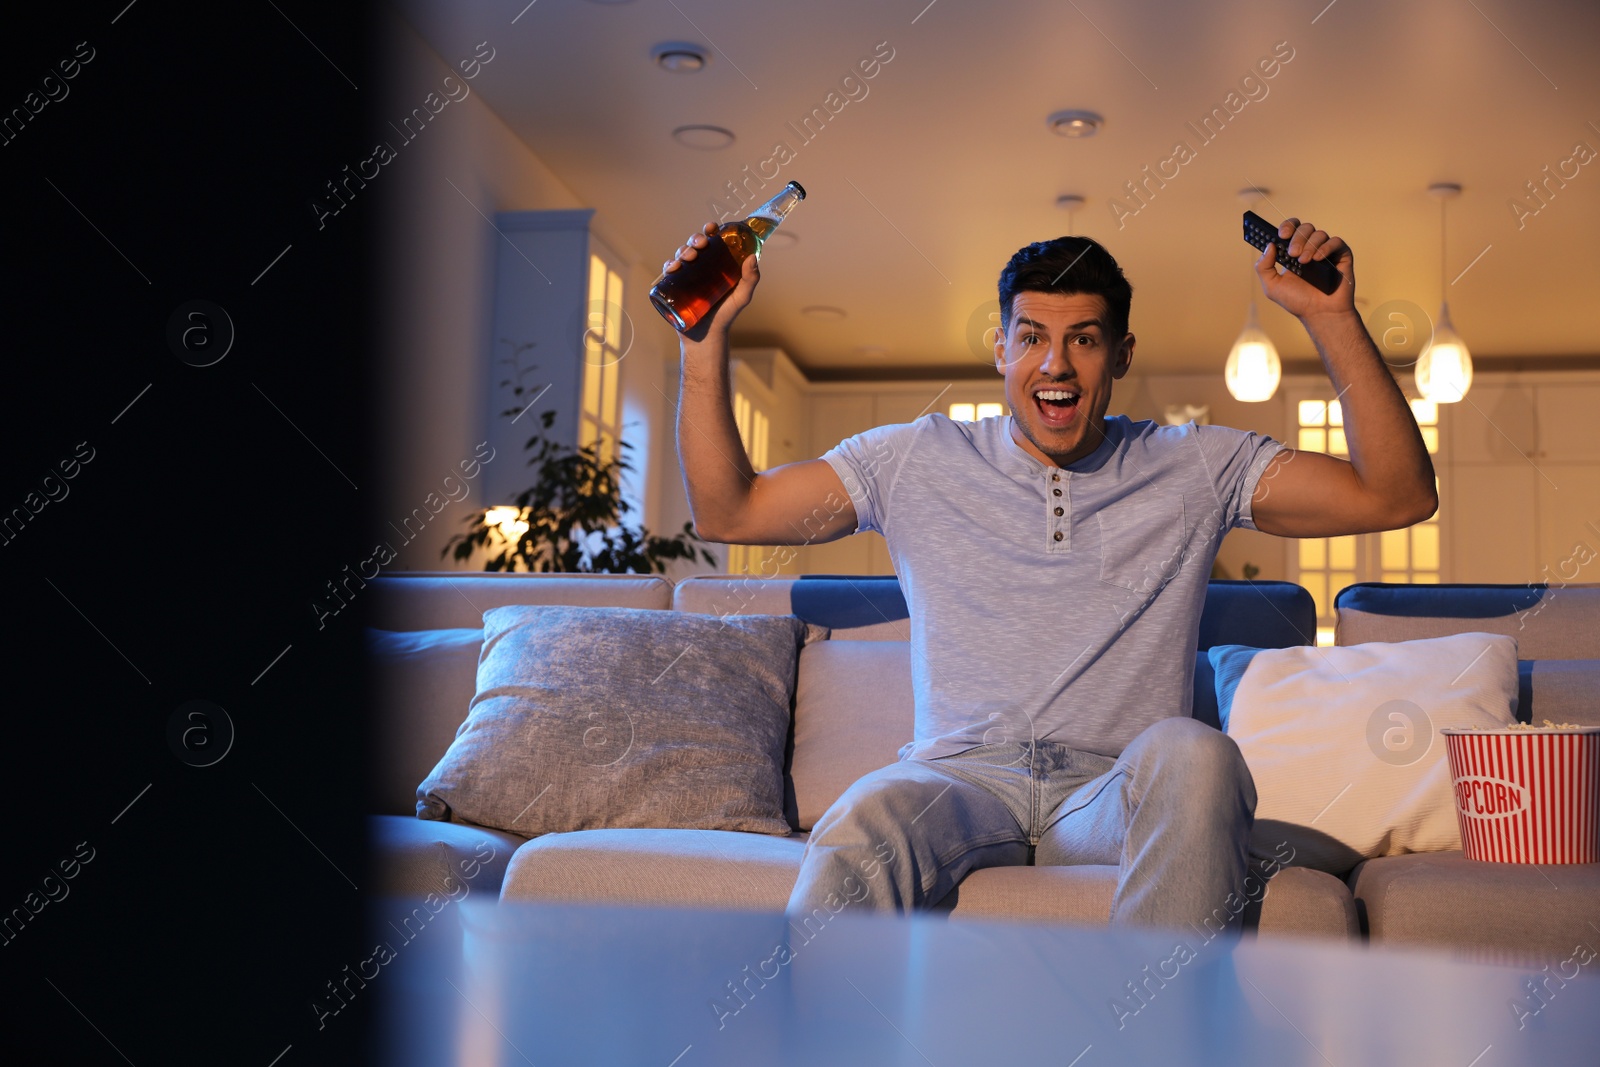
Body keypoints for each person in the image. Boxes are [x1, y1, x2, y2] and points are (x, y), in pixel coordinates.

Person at [664, 217, 1436, 932]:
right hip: (957, 784)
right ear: (1001, 347)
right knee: (867, 810)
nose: (1055, 363)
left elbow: (1397, 493)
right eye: (1031, 336)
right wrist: (703, 344)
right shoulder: (914, 458)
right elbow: (732, 512)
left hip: (1113, 791)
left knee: (1201, 753)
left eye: (1084, 339)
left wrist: (1332, 318)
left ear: (1123, 355)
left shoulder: (1195, 464)